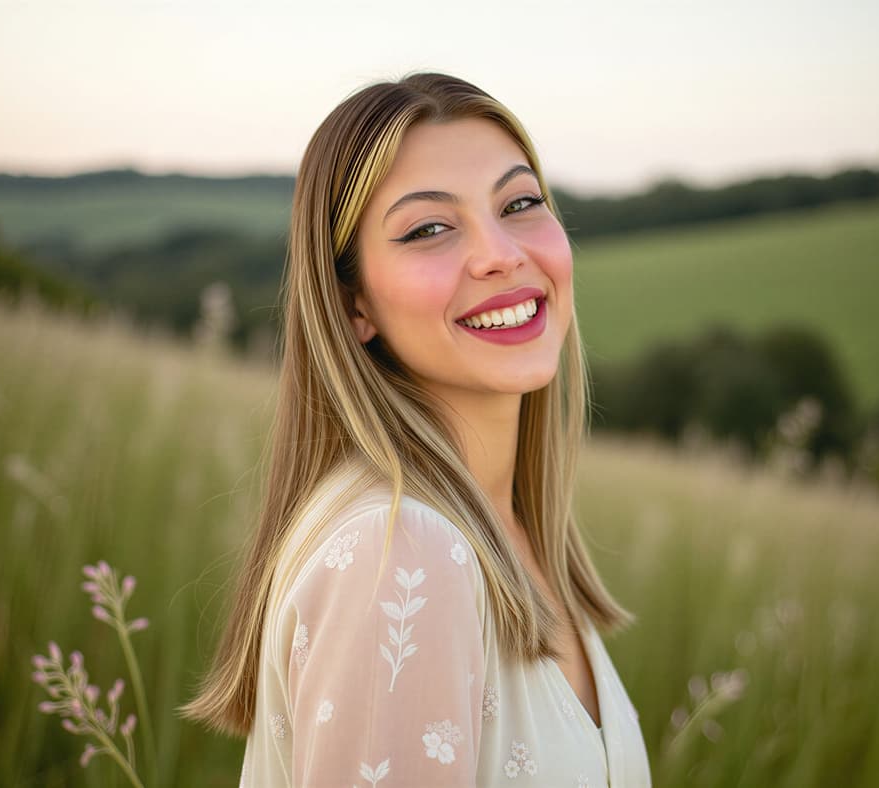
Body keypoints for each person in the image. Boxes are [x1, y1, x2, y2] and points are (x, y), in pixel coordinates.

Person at [182, 72, 652, 787]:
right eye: (429, 228)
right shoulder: (401, 553)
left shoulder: (507, 533)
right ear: (354, 307)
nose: (499, 252)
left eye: (520, 202)